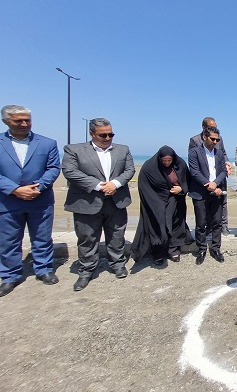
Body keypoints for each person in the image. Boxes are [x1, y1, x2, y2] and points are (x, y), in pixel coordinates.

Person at [62, 118, 135, 291]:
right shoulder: (74, 150)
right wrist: (98, 186)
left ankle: (117, 264)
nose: (107, 138)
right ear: (92, 134)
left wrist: (115, 184)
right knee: (87, 237)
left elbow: (130, 170)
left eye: (110, 134)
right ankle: (87, 270)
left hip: (116, 201)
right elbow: (70, 171)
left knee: (117, 234)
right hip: (87, 202)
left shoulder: (123, 149)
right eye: (103, 135)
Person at [0, 105, 61, 297]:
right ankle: (10, 275)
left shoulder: (47, 143)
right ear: (6, 121)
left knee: (42, 237)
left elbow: (53, 168)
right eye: (18, 120)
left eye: (27, 120)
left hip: (40, 199)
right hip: (8, 200)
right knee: (8, 240)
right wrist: (15, 189)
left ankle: (44, 269)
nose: (24, 124)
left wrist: (39, 187)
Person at [131, 146, 189, 265]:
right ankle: (158, 253)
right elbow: (144, 186)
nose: (167, 163)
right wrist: (155, 202)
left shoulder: (180, 164)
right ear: (159, 159)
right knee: (159, 225)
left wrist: (182, 188)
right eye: (164, 161)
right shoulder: (149, 167)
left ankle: (173, 249)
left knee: (175, 224)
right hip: (156, 201)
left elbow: (188, 180)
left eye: (169, 160)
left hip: (176, 200)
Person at [188, 126, 228, 265]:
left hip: (217, 192)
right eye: (212, 139)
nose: (215, 142)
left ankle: (215, 248)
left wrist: (215, 184)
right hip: (200, 192)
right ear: (204, 137)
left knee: (217, 222)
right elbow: (194, 172)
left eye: (217, 140)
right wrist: (208, 184)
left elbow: (223, 171)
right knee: (201, 223)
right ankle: (201, 249)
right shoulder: (194, 152)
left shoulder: (219, 153)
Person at [189, 116, 232, 235]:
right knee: (204, 206)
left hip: (218, 177)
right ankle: (208, 227)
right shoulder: (194, 140)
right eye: (211, 127)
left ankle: (224, 226)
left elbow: (223, 153)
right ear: (204, 128)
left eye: (215, 127)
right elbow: (194, 163)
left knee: (222, 201)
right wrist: (207, 182)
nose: (214, 141)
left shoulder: (219, 138)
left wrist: (227, 164)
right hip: (204, 180)